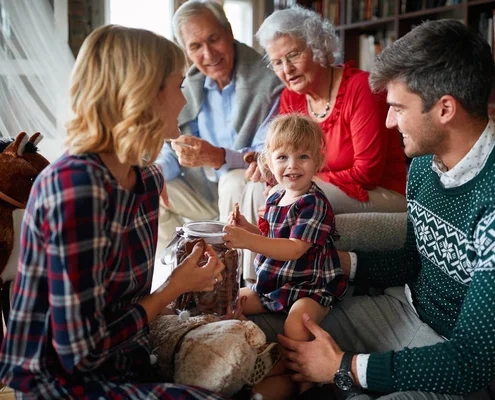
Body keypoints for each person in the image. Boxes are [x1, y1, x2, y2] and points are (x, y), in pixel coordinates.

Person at [249, 19, 495, 400]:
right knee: (261, 328)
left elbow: (473, 359)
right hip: (403, 311)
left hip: (462, 364)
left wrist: (344, 367)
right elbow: (414, 261)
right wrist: (336, 261)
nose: (388, 120)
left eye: (398, 107)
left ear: (445, 108)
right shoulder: (423, 164)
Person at [0, 25, 227, 399]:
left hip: (130, 362)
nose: (184, 102)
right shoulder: (75, 188)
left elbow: (124, 305)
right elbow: (78, 355)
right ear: (143, 94)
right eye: (178, 86)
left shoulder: (148, 179)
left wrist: (192, 296)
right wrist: (173, 288)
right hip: (60, 384)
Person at [238, 5, 407, 283]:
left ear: (318, 48)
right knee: (259, 188)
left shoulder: (361, 88)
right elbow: (285, 154)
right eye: (277, 62)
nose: (286, 69)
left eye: (293, 55)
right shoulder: (291, 98)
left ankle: (273, 283)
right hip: (324, 182)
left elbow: (367, 173)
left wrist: (291, 185)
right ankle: (252, 283)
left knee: (284, 196)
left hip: (379, 191)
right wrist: (267, 168)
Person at [154, 0, 284, 286]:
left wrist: (220, 158)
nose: (208, 53)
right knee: (153, 184)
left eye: (214, 39)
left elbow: (271, 152)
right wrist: (160, 171)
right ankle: (174, 281)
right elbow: (168, 146)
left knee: (233, 180)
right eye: (195, 46)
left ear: (229, 31)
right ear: (185, 51)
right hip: (204, 192)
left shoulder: (268, 79)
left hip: (249, 186)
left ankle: (233, 282)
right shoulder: (186, 86)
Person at [223, 114, 348, 395]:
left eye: (302, 156)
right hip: (275, 284)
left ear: (318, 160)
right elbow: (272, 238)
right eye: (282, 157)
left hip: (310, 287)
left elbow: (293, 248)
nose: (292, 165)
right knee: (233, 300)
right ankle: (259, 353)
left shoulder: (314, 202)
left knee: (296, 322)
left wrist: (247, 242)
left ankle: (305, 384)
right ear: (268, 162)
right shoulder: (273, 197)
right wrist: (249, 230)